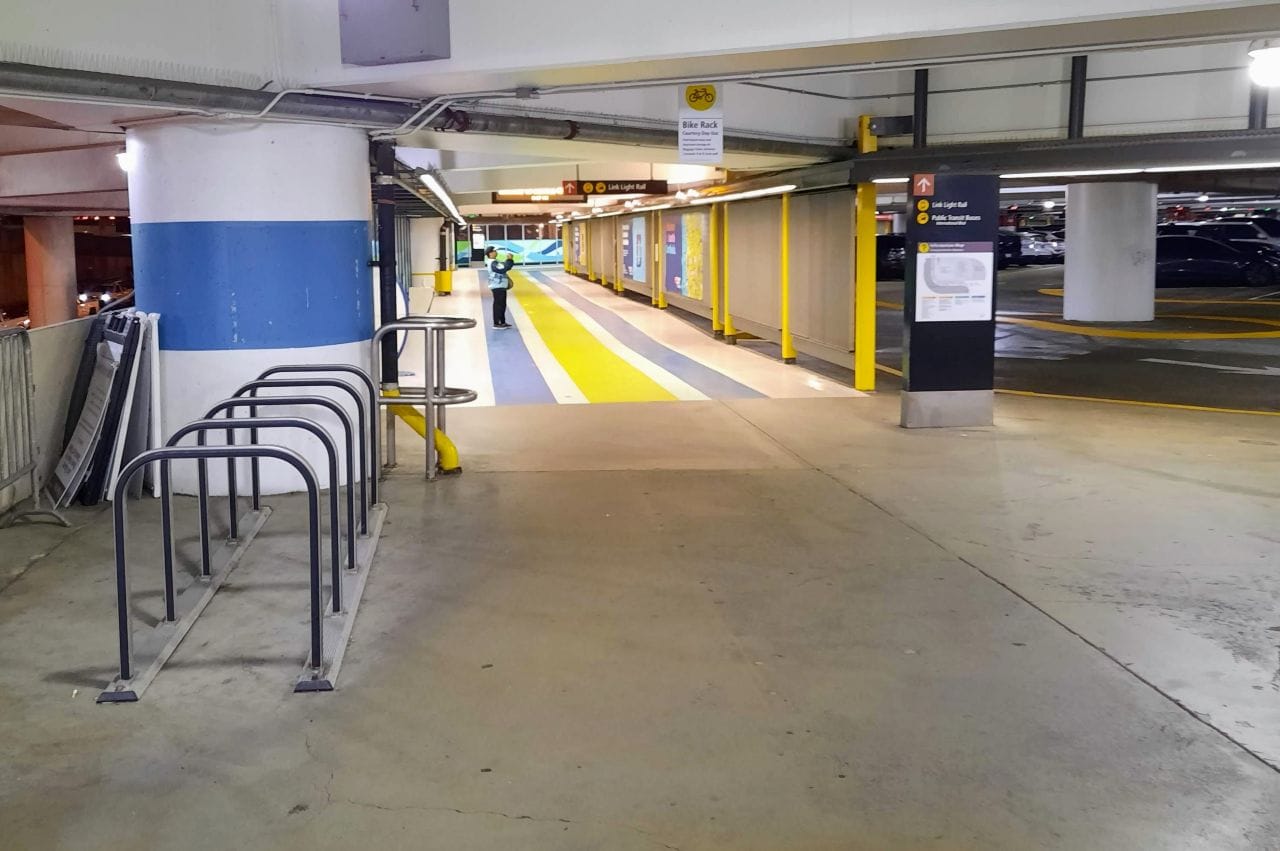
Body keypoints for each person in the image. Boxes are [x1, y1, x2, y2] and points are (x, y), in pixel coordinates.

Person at [487, 247, 515, 328]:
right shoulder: (492, 263)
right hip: (497, 286)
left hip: (500, 286)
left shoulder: (495, 262)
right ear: (490, 253)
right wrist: (509, 260)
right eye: (494, 251)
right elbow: (503, 268)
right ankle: (497, 323)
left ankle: (502, 322)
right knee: (499, 305)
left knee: (502, 304)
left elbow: (505, 267)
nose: (496, 252)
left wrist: (509, 261)